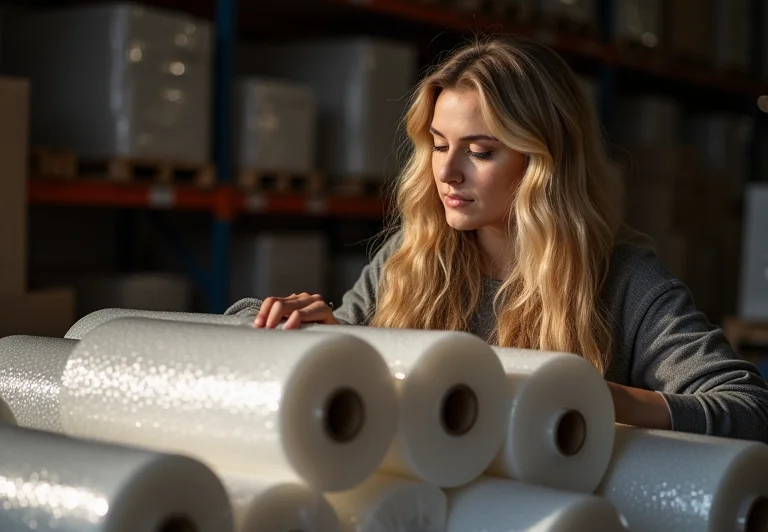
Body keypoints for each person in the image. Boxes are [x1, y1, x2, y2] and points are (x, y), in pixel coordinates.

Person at [226, 36, 768, 442]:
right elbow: (343, 355)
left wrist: (589, 397)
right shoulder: (412, 259)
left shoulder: (624, 281)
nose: (448, 173)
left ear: (544, 162)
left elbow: (749, 407)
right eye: (439, 145)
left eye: (480, 152)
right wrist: (307, 329)